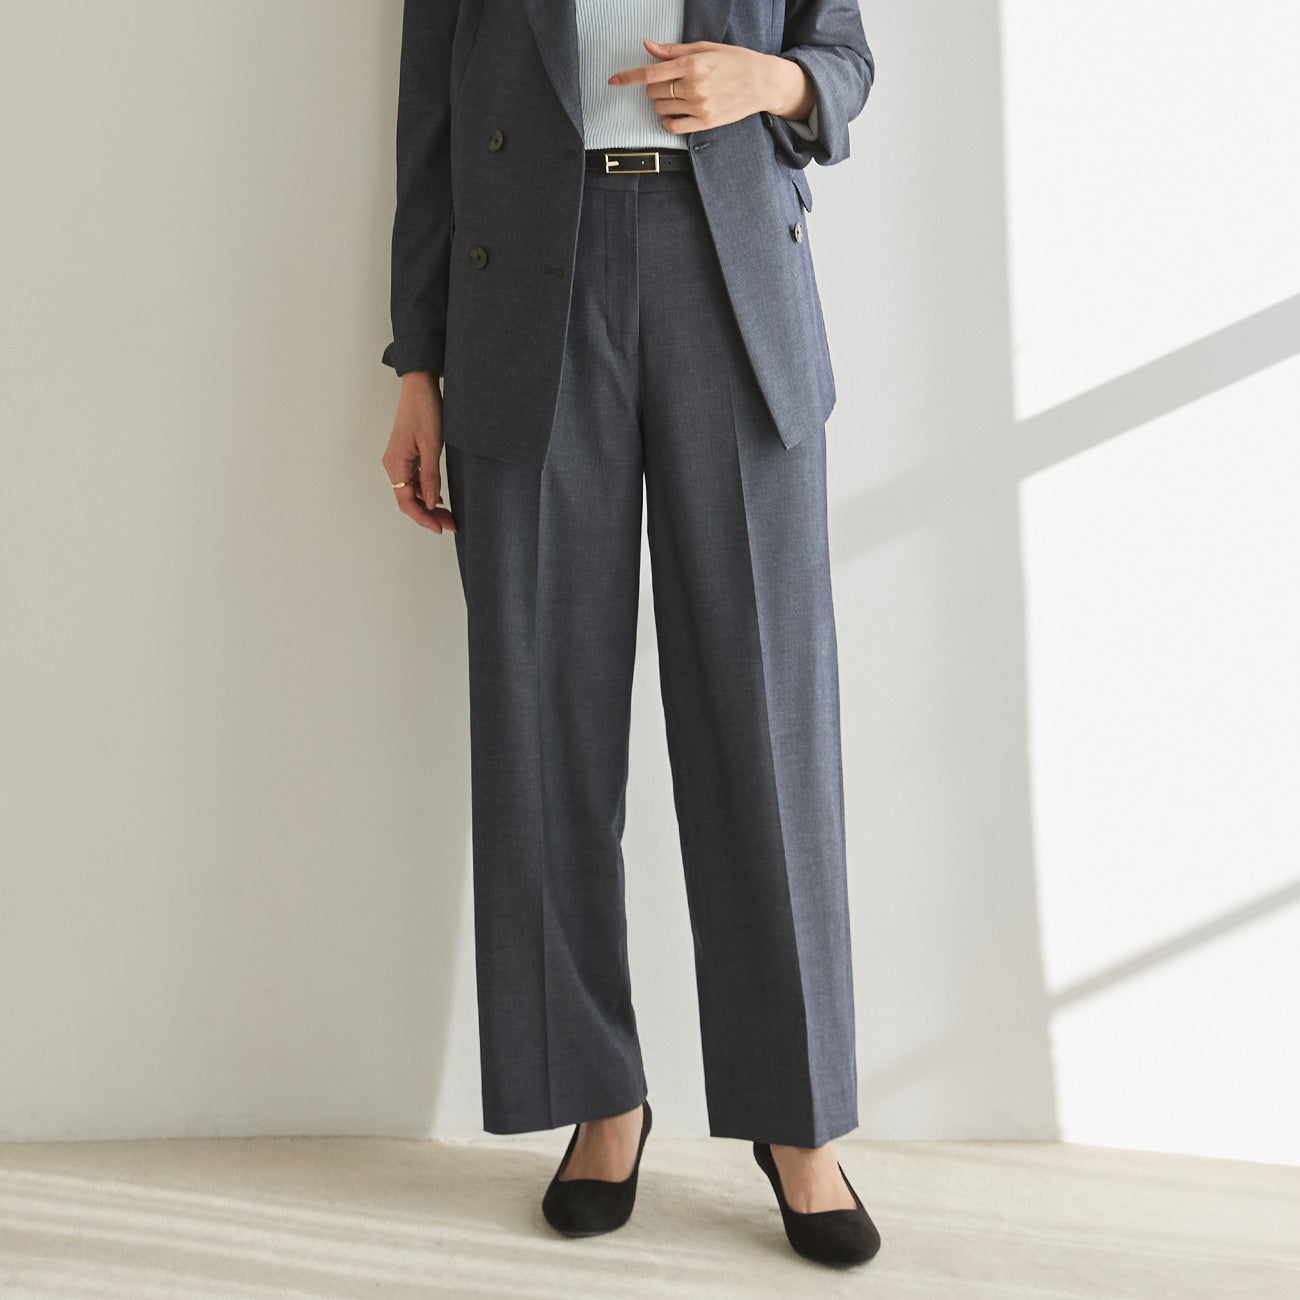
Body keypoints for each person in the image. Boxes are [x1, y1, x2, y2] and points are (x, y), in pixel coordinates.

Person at [379, 0, 879, 1267]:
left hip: (730, 274)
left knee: (766, 723)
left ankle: (798, 1120)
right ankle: (599, 1097)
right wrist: (416, 364)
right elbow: (429, 127)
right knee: (541, 717)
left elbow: (842, 59)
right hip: (521, 291)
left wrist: (764, 81)